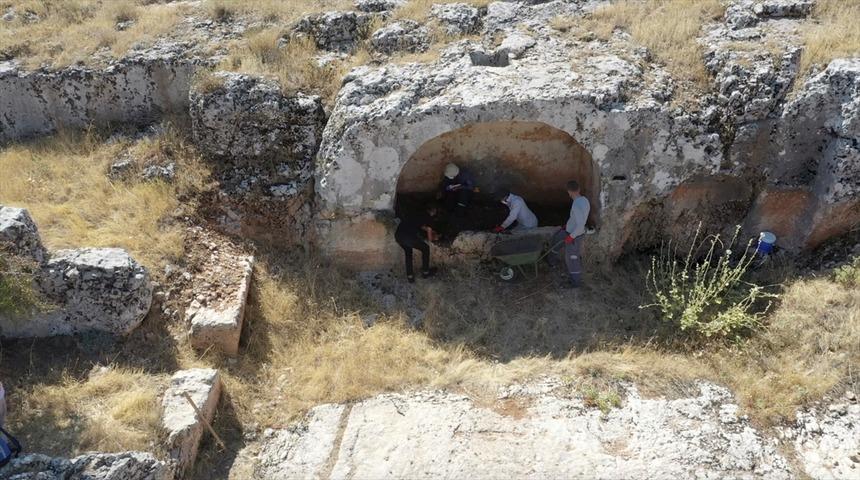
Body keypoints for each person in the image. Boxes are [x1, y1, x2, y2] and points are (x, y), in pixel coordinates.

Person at [551, 180, 590, 288]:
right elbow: (576, 219)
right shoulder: (584, 200)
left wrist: (571, 237)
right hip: (569, 231)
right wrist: (567, 226)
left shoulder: (576, 204)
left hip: (575, 235)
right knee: (556, 239)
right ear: (579, 189)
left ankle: (575, 282)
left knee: (572, 258)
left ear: (569, 192)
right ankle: (551, 261)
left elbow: (580, 225)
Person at [395, 204, 440, 283]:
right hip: (408, 236)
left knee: (408, 252)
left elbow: (421, 226)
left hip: (398, 235)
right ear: (433, 211)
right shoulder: (429, 218)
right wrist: (436, 237)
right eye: (435, 211)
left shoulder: (417, 213)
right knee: (426, 248)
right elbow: (430, 239)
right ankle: (426, 272)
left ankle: (410, 276)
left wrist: (430, 230)